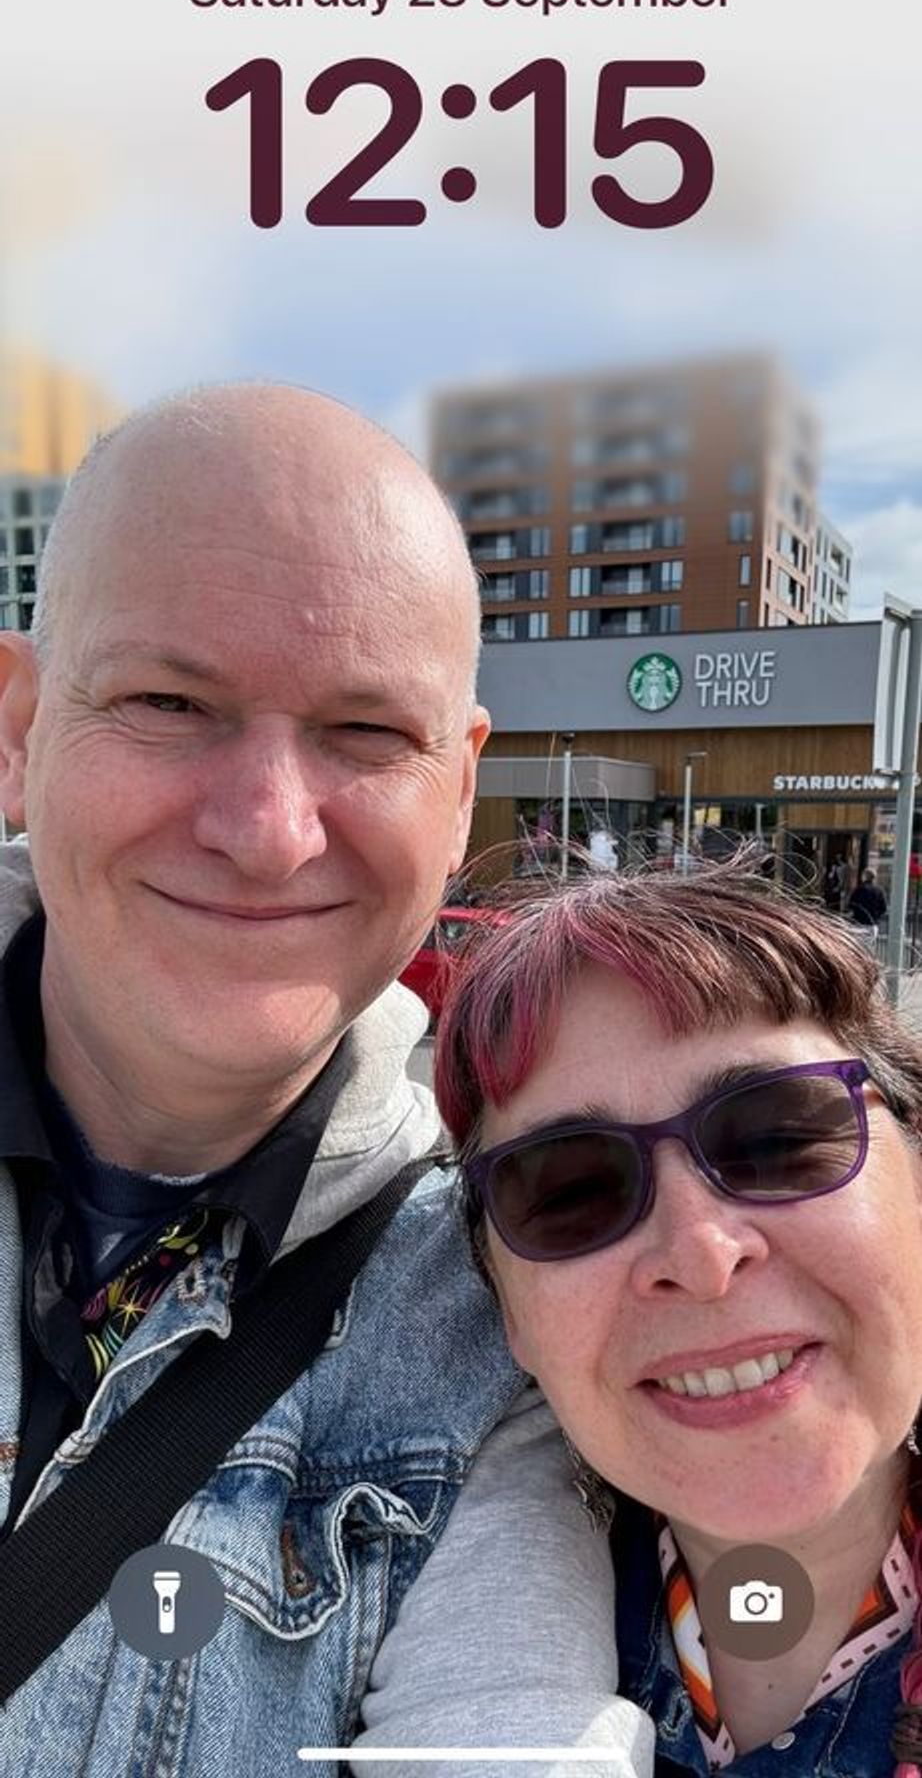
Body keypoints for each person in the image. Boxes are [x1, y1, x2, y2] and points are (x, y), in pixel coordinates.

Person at [0, 385, 651, 1777]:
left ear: (460, 791)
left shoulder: (503, 1325)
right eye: (171, 701)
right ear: (19, 729)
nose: (266, 830)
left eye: (366, 735)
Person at [432, 860, 922, 1776]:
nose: (700, 1256)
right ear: (511, 1319)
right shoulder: (409, 1641)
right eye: (570, 1192)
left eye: (779, 1137)